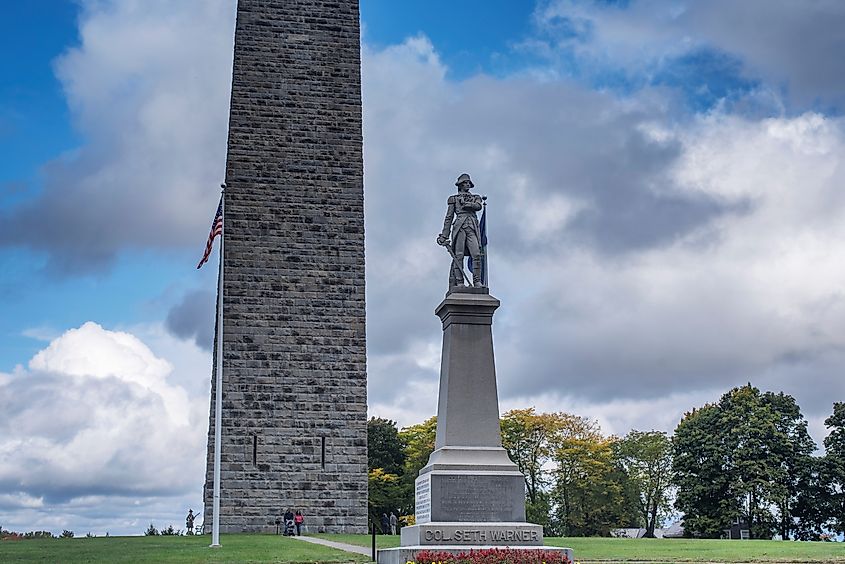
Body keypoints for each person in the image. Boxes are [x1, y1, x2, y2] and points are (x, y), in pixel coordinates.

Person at [437, 173, 484, 289]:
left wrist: (466, 204)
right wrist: (444, 235)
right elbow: (449, 218)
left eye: (468, 183)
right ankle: (460, 282)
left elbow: (478, 206)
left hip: (472, 226)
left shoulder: (475, 197)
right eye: (465, 183)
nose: (467, 184)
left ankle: (477, 281)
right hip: (459, 227)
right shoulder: (453, 199)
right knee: (459, 256)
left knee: (476, 255)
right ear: (460, 185)